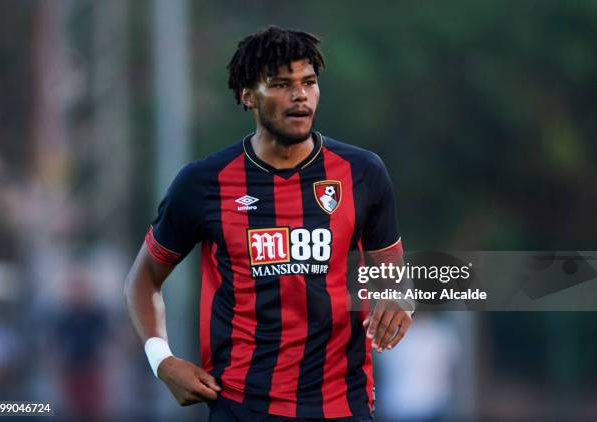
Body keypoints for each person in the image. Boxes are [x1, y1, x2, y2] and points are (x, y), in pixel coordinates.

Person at [125, 25, 412, 421]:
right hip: (241, 407)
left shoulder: (363, 172)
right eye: (280, 84)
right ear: (248, 96)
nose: (299, 95)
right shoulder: (204, 183)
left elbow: (390, 268)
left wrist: (399, 297)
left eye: (309, 82)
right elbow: (143, 280)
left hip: (342, 406)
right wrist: (163, 361)